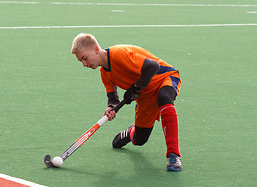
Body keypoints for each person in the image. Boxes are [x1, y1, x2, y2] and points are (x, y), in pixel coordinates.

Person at [71, 33, 182, 171]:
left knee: (164, 99)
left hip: (164, 78)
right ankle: (130, 132)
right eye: (81, 61)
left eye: (84, 58)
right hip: (144, 97)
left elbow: (152, 67)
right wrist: (111, 108)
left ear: (95, 49)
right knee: (140, 140)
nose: (84, 64)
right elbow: (113, 99)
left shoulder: (119, 54)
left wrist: (136, 87)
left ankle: (173, 156)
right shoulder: (105, 74)